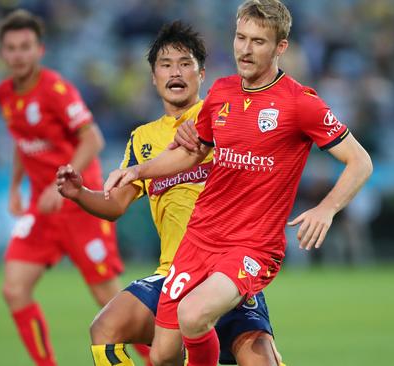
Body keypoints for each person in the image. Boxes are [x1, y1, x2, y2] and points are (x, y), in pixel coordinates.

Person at [103, 1, 374, 365]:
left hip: (251, 245)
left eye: (258, 42)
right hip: (199, 238)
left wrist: (327, 209)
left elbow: (360, 161)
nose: (245, 49)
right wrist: (138, 171)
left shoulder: (300, 103)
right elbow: (193, 152)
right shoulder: (222, 92)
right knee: (164, 354)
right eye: (240, 38)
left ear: (281, 48)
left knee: (194, 314)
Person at [57, 21, 284, 366]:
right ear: (153, 77)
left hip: (228, 271)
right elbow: (115, 204)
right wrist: (79, 193)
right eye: (165, 65)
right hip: (174, 272)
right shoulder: (143, 139)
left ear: (201, 74)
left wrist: (216, 127)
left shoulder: (224, 114)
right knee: (105, 330)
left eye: (184, 64)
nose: (175, 72)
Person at [0, 9, 126, 366]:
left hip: (80, 204)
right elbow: (23, 141)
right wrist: (15, 188)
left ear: (40, 50)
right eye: (11, 48)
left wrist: (62, 184)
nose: (18, 54)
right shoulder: (4, 94)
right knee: (14, 288)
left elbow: (93, 139)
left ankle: (159, 359)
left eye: (25, 47)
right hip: (43, 207)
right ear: (2, 53)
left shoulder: (55, 90)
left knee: (110, 303)